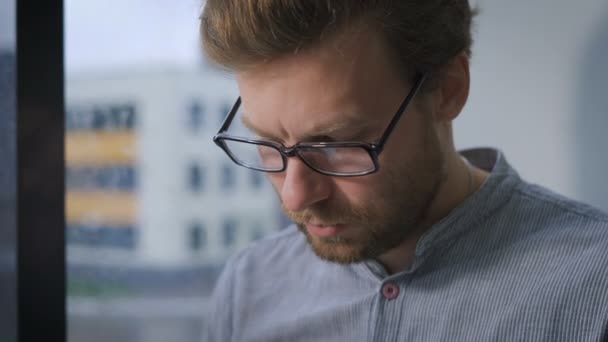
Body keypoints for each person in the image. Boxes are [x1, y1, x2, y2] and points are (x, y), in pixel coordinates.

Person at [199, 1, 608, 341]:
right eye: (268, 143)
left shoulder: (596, 286)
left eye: (337, 145)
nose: (295, 196)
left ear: (448, 90)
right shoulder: (248, 288)